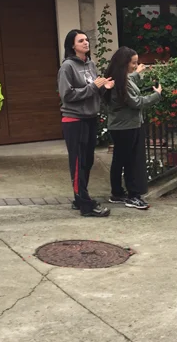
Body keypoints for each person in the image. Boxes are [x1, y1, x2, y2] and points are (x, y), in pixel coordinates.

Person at [58, 29, 114, 217]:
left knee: (87, 161)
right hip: (74, 120)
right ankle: (85, 204)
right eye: (81, 40)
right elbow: (67, 95)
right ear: (72, 45)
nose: (85, 43)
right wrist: (93, 87)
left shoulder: (91, 64)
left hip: (90, 118)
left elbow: (94, 91)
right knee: (78, 162)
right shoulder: (67, 67)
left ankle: (79, 197)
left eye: (86, 39)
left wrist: (104, 87)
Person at [104, 47, 162, 210]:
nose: (135, 66)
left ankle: (117, 193)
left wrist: (136, 73)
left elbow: (129, 80)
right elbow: (136, 102)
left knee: (119, 160)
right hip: (126, 127)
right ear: (124, 63)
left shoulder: (117, 78)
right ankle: (133, 196)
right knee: (130, 162)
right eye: (133, 63)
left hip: (120, 126)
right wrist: (156, 95)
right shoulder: (121, 82)